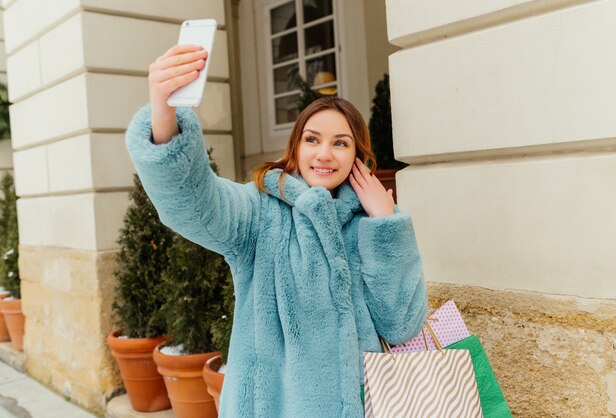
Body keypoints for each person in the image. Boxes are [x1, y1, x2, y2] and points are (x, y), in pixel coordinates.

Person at [126, 44, 428, 417]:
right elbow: (196, 204)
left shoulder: (376, 222)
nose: (324, 154)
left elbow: (401, 325)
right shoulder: (260, 211)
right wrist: (164, 113)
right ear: (296, 146)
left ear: (358, 155)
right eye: (313, 139)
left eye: (341, 143)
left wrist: (386, 225)